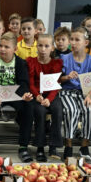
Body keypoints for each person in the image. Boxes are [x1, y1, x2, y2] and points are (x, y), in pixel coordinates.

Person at [0, 32, 34, 162]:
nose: (2, 49)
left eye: (6, 47)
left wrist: (24, 95)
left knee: (28, 107)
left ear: (15, 49)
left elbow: (24, 83)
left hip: (15, 94)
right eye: (1, 46)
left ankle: (23, 147)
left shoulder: (21, 63)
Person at [59, 27, 91, 160]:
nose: (73, 43)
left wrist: (88, 96)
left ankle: (84, 145)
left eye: (77, 40)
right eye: (72, 39)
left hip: (84, 92)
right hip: (67, 92)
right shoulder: (64, 58)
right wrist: (67, 77)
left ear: (86, 43)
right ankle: (68, 145)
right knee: (71, 110)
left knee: (90, 109)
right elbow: (58, 79)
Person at [27, 33, 64, 161]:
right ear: (36, 47)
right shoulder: (31, 62)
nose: (43, 49)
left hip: (52, 94)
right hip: (37, 93)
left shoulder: (56, 63)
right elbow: (30, 83)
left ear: (52, 48)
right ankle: (40, 147)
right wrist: (37, 96)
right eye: (40, 46)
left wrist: (50, 99)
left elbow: (56, 84)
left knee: (58, 111)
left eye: (46, 46)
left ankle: (53, 146)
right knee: (39, 112)